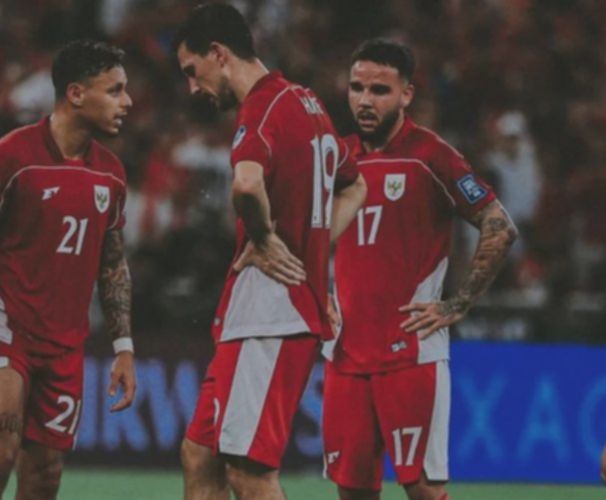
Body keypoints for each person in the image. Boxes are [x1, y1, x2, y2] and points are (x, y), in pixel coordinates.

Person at [173, 4, 366, 499]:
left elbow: (246, 184)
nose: (193, 87)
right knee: (200, 452)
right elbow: (355, 184)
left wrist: (264, 238)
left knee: (249, 472)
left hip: (273, 313)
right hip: (262, 312)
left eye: (193, 71)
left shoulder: (260, 109)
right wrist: (312, 251)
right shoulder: (305, 102)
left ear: (218, 53)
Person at [321, 39, 518, 500]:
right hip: (345, 354)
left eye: (380, 90)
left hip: (410, 353)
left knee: (424, 490)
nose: (365, 100)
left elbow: (500, 227)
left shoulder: (430, 155)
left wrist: (457, 303)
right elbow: (304, 235)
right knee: (351, 492)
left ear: (406, 94)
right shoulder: (337, 159)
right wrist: (316, 291)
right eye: (357, 88)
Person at [0, 40, 136, 500]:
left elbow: (112, 263)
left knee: (45, 478)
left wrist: (123, 347)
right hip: (3, 331)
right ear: (76, 93)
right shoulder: (9, 157)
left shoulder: (111, 174)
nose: (127, 102)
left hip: (65, 344)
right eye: (114, 90)